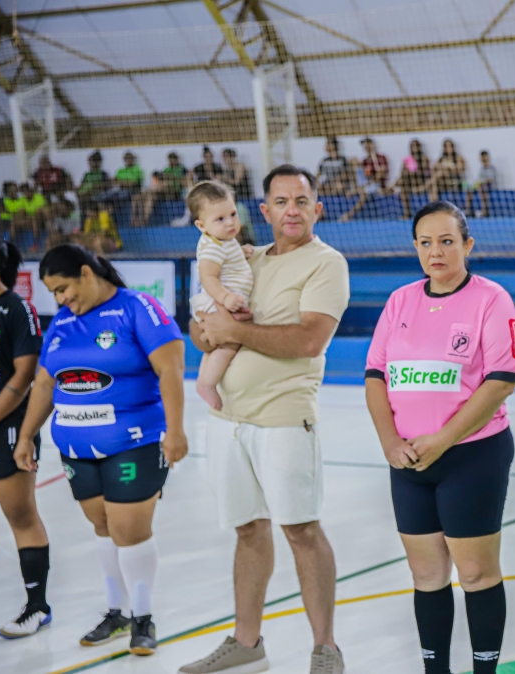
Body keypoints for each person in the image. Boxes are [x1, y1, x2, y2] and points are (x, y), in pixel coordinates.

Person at [183, 165, 349, 674]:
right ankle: (247, 642)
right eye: (281, 201)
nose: (291, 210)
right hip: (228, 421)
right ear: (265, 210)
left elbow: (308, 340)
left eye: (301, 200)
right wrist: (205, 330)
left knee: (301, 530)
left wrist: (231, 330)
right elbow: (199, 328)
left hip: (284, 418)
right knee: (248, 530)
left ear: (317, 208)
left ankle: (325, 649)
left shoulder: (326, 263)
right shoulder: (245, 257)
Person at [365, 201, 515, 674]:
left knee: (475, 573)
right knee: (427, 573)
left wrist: (443, 439)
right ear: (415, 247)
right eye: (426, 242)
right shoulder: (400, 301)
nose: (436, 251)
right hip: (409, 462)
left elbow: (501, 381)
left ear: (467, 244)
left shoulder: (491, 299)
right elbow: (376, 377)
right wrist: (390, 442)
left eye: (447, 241)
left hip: (472, 456)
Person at [16, 244, 186, 655]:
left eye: (63, 288)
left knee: (129, 530)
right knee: (104, 527)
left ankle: (142, 617)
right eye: (53, 293)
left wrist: (176, 431)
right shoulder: (62, 322)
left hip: (134, 441)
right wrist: (26, 435)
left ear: (87, 273)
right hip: (77, 449)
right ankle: (117, 612)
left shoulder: (137, 308)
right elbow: (45, 383)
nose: (60, 299)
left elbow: (171, 368)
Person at [0, 229, 50, 639]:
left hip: (6, 427)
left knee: (20, 515)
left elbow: (26, 374)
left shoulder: (15, 309)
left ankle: (37, 607)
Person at [187, 181, 254, 411]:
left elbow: (226, 260)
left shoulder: (221, 241)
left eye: (233, 214)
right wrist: (225, 298)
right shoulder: (213, 247)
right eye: (220, 219)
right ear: (201, 225)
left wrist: (240, 253)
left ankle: (203, 380)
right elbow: (208, 277)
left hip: (218, 301)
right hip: (218, 303)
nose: (230, 223)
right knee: (230, 343)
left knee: (218, 347)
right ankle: (207, 383)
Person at [392, 139, 431, 220]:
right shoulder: (407, 159)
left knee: (407, 175)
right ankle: (407, 212)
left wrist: (414, 170)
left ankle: (391, 187)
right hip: (409, 182)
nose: (414, 148)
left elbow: (425, 172)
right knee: (403, 184)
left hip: (421, 181)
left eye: (416, 146)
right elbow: (402, 172)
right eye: (412, 146)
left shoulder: (424, 158)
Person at [425, 139, 467, 205]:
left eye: (449, 146)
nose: (448, 148)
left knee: (438, 176)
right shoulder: (441, 159)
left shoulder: (458, 158)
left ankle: (433, 200)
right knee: (436, 179)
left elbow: (461, 170)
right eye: (446, 146)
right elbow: (434, 169)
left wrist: (449, 167)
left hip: (456, 181)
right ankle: (433, 202)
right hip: (443, 182)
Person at [467, 149, 497, 217]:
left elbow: (491, 180)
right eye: (482, 157)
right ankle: (468, 210)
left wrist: (482, 182)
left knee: (482, 188)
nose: (483, 158)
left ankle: (484, 211)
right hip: (480, 186)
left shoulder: (492, 168)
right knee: (469, 189)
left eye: (484, 157)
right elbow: (479, 179)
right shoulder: (481, 169)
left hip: (489, 186)